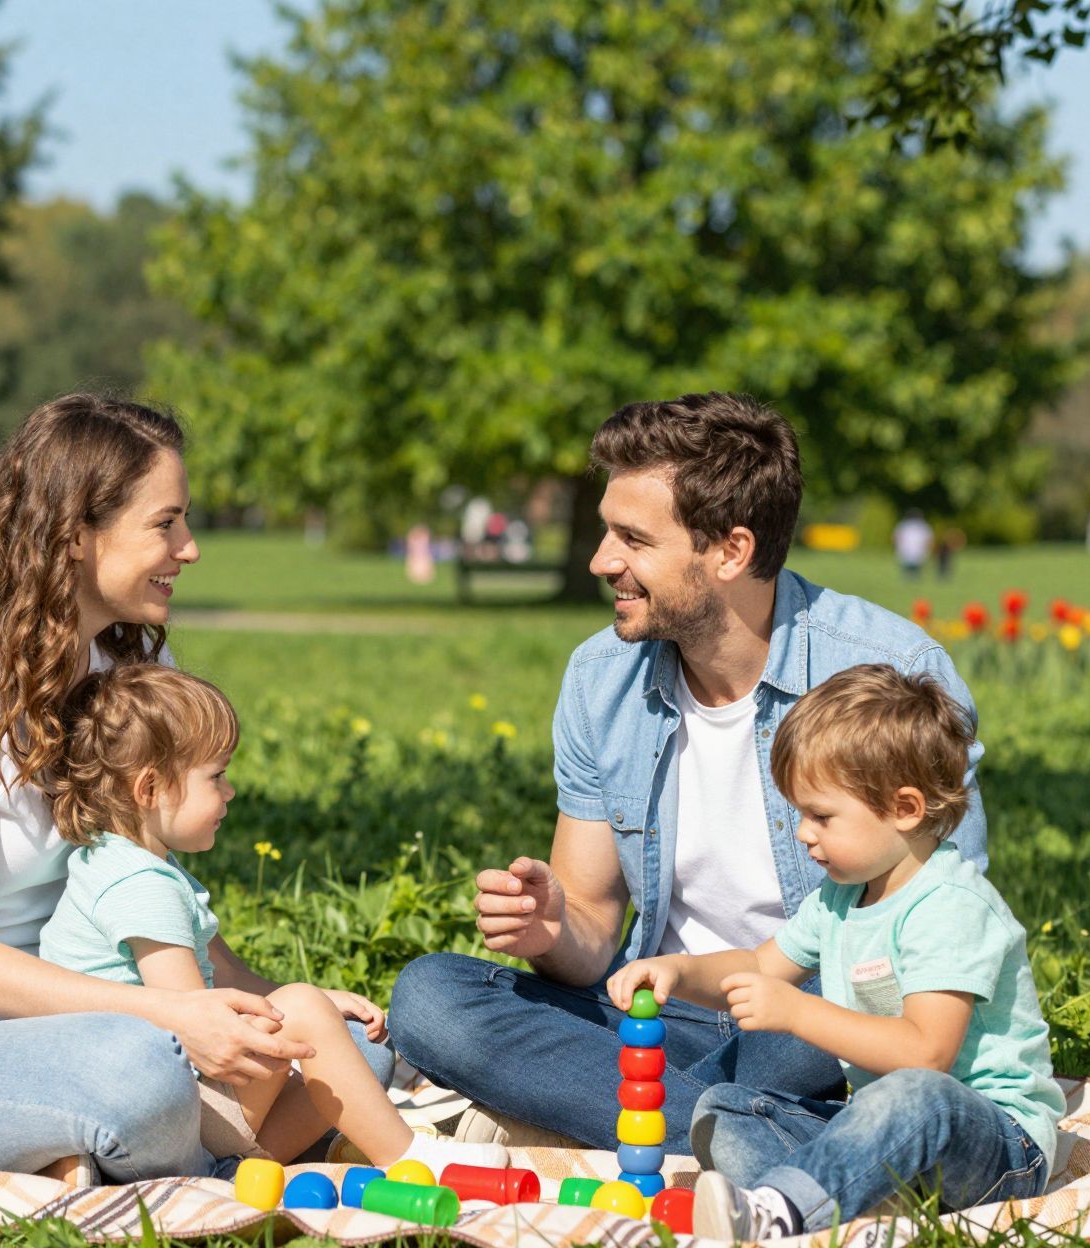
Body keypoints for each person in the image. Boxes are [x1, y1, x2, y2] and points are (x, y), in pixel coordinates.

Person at [387, 393, 986, 1154]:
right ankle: (753, 1131)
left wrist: (792, 1009)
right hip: (661, 1004)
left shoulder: (896, 674)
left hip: (819, 1019)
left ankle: (628, 1115)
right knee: (431, 998)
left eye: (632, 538)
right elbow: (596, 931)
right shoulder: (601, 677)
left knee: (818, 1017)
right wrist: (549, 928)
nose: (602, 560)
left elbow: (937, 931)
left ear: (731, 551)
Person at [0, 394, 313, 1182]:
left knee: (333, 1057)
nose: (190, 549)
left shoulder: (135, 676)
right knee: (139, 1077)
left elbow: (153, 899)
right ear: (76, 534)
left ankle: (86, 1152)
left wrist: (275, 1005)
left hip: (72, 1030)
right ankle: (178, 1153)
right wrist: (176, 1018)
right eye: (166, 523)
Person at [606, 665, 1061, 1240]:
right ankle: (854, 1201)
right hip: (887, 1133)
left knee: (917, 1094)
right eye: (800, 812)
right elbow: (755, 967)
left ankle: (781, 1212)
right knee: (725, 1109)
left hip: (993, 1139)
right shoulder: (841, 897)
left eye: (821, 816)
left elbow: (926, 1055)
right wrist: (677, 969)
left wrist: (797, 1013)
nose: (802, 832)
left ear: (905, 809)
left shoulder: (948, 905)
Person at [38, 663, 501, 1174]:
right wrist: (305, 1010)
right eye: (215, 777)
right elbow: (194, 1015)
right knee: (303, 1016)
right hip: (152, 1111)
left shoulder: (123, 863)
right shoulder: (142, 887)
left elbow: (228, 977)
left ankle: (228, 1172)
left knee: (350, 1053)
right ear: (150, 789)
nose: (230, 792)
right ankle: (410, 1158)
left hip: (148, 1102)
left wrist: (323, 1008)